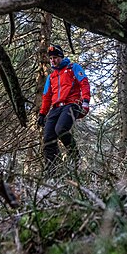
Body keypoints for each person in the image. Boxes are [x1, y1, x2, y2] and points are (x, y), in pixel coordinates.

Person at [37, 44, 91, 175]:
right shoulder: (51, 77)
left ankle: (75, 157)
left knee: (61, 129)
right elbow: (46, 97)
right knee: (48, 139)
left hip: (72, 104)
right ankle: (52, 172)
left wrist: (85, 102)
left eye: (55, 57)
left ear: (61, 57)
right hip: (55, 108)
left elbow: (84, 83)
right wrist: (42, 114)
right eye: (51, 58)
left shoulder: (73, 68)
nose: (53, 61)